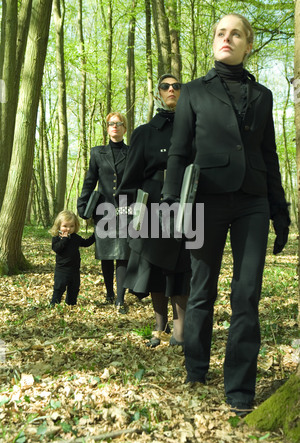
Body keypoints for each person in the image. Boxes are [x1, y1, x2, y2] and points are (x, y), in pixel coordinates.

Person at [162, 14, 290, 415]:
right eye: (221, 33)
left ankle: (239, 388)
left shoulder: (264, 95)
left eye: (236, 33)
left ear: (248, 44)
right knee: (202, 289)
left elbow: (268, 155)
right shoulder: (195, 93)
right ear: (214, 41)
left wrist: (280, 210)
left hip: (252, 201)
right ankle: (196, 367)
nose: (226, 38)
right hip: (204, 201)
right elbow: (180, 152)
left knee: (247, 293)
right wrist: (169, 204)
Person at [117, 74, 191, 347]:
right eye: (165, 86)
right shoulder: (144, 132)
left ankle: (180, 327)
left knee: (182, 266)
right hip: (151, 206)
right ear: (158, 92)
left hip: (187, 204)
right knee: (155, 266)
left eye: (176, 86)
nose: (171, 90)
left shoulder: (194, 127)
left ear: (183, 92)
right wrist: (127, 214)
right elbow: (130, 177)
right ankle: (159, 325)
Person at [77, 112, 130, 313]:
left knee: (123, 254)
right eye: (111, 124)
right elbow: (90, 181)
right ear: (107, 129)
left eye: (119, 123)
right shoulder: (97, 153)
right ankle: (109, 293)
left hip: (126, 209)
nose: (114, 126)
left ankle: (120, 300)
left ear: (125, 128)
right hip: (103, 210)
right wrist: (82, 206)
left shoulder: (133, 152)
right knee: (107, 255)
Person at [50, 210, 95, 306]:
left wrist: (94, 236)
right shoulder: (57, 238)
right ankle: (54, 303)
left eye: (71, 226)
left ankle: (71, 304)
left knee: (74, 288)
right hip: (62, 270)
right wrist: (65, 239)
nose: (68, 229)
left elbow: (86, 243)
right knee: (59, 287)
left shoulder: (76, 238)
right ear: (59, 226)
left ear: (76, 226)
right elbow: (56, 248)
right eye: (65, 226)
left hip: (74, 269)